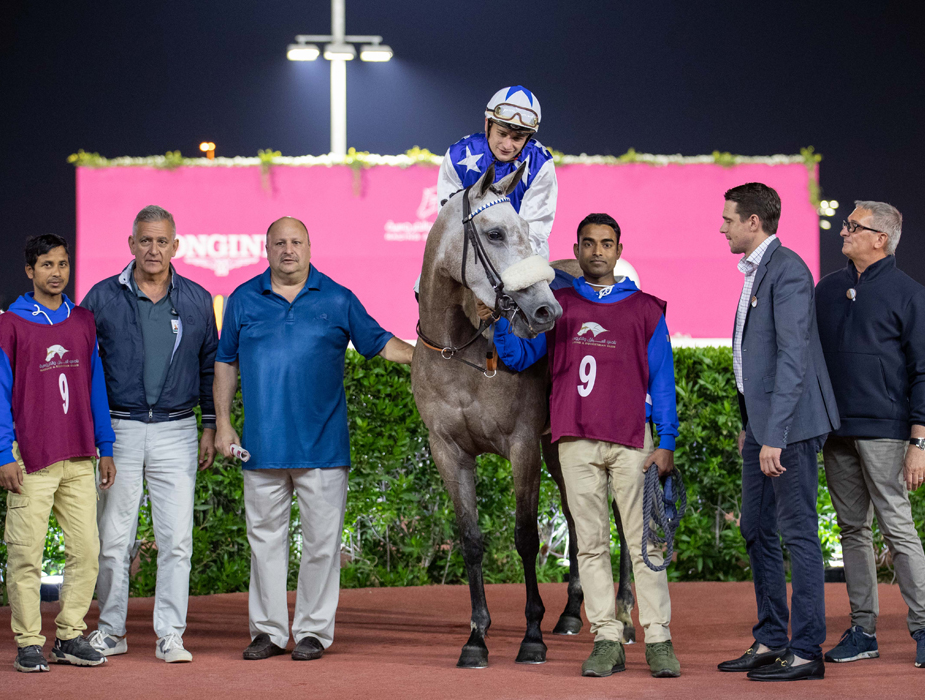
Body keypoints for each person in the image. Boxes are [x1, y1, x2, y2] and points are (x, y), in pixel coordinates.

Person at [487, 213, 682, 679]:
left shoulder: (647, 309)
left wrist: (667, 441)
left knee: (644, 545)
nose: (598, 251)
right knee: (590, 547)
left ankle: (658, 639)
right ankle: (607, 639)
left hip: (633, 442)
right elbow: (518, 357)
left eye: (606, 243)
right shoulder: (559, 307)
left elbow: (663, 380)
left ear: (618, 250)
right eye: (589, 243)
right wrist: (496, 321)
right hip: (574, 441)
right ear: (576, 251)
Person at [214, 217, 414, 662]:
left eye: (296, 242)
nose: (288, 250)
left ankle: (313, 633)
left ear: (309, 246)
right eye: (279, 242)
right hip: (260, 448)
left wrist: (431, 360)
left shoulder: (339, 298)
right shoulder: (244, 299)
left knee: (322, 547)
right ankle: (266, 631)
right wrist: (224, 423)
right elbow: (225, 362)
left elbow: (381, 343)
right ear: (266, 248)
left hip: (323, 449)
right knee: (264, 544)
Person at [80, 205, 219, 663]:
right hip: (118, 430)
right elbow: (81, 368)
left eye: (162, 241)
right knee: (113, 538)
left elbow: (208, 368)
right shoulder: (100, 298)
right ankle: (111, 631)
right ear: (131, 245)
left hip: (178, 431)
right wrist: (98, 438)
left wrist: (210, 426)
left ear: (175, 246)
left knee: (177, 540)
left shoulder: (198, 300)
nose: (153, 249)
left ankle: (170, 635)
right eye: (145, 241)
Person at [715, 183, 839, 682]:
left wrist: (776, 435)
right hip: (762, 427)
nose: (721, 225)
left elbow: (793, 359)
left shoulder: (787, 271)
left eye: (728, 218)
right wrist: (753, 427)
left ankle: (807, 651)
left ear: (754, 222)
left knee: (799, 535)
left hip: (788, 430)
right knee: (755, 528)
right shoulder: (756, 270)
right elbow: (756, 360)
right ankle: (771, 638)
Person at [816, 201, 925, 669]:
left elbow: (924, 373)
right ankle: (862, 630)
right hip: (835, 433)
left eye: (854, 226)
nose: (844, 231)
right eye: (847, 224)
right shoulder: (826, 289)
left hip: (888, 435)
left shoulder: (912, 294)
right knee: (852, 531)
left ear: (880, 238)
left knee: (898, 529)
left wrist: (918, 442)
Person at [0, 234, 116, 672]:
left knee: (87, 550)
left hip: (79, 455)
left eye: (62, 264)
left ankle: (70, 635)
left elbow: (95, 386)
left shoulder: (83, 321)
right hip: (30, 458)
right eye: (46, 265)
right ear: (30, 271)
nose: (56, 272)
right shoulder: (10, 325)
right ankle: (27, 642)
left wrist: (106, 445)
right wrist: (4, 452)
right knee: (26, 553)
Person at [437, 85, 557, 259]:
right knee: (422, 284)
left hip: (523, 253)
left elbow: (535, 228)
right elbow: (449, 219)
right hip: (468, 253)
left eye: (517, 138)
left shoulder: (541, 163)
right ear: (488, 124)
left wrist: (506, 262)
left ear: (529, 138)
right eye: (502, 133)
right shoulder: (457, 156)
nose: (507, 145)